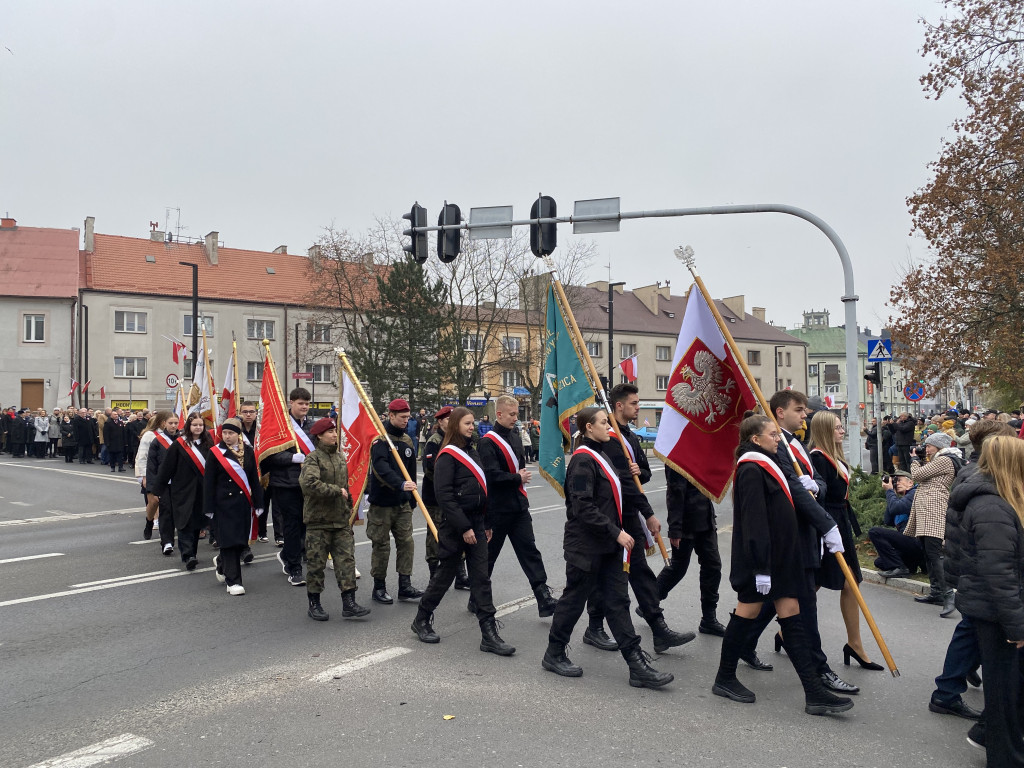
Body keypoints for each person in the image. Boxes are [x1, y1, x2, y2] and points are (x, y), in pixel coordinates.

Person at [713, 412, 853, 716]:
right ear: (756, 439)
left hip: (782, 558)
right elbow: (754, 522)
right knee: (746, 613)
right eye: (773, 435)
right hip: (760, 560)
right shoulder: (751, 468)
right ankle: (724, 678)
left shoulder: (771, 463)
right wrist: (761, 566)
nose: (780, 440)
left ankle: (814, 693)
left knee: (793, 619)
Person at [541, 406, 673, 689]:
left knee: (617, 602)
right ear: (589, 428)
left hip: (608, 546)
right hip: (586, 547)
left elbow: (622, 491)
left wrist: (639, 517)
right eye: (603, 423)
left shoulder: (602, 456)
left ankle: (636, 664)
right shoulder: (582, 461)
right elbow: (582, 506)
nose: (609, 428)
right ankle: (554, 653)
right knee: (574, 600)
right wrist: (616, 533)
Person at [747, 390, 857, 696]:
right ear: (780, 412)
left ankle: (741, 644)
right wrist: (823, 518)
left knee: (783, 599)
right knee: (804, 604)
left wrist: (814, 487)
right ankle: (819, 671)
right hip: (792, 534)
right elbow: (788, 487)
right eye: (799, 409)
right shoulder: (774, 444)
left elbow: (817, 482)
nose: (805, 414)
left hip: (808, 533)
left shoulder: (796, 444)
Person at [585, 384, 694, 655]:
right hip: (611, 516)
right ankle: (594, 627)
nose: (637, 408)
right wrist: (649, 514)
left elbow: (642, 475)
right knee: (604, 575)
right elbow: (624, 483)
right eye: (633, 403)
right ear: (619, 406)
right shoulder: (608, 439)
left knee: (641, 573)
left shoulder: (629, 438)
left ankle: (659, 629)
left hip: (629, 513)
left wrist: (638, 470)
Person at [928, 420, 1016, 724]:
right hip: (976, 571)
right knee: (976, 630)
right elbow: (989, 540)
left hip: (968, 567)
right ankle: (948, 690)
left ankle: (954, 681)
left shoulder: (973, 472)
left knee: (973, 630)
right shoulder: (984, 479)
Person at [412, 407, 515, 656]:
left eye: (474, 423)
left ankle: (489, 633)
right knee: (444, 576)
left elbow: (483, 489)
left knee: (481, 578)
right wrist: (465, 527)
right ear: (457, 425)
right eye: (468, 423)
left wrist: (486, 523)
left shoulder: (473, 451)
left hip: (478, 524)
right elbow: (444, 496)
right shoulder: (447, 456)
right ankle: (422, 618)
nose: (473, 427)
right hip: (456, 526)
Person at [947, 436, 1024, 762]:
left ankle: (988, 736)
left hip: (999, 608)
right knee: (1004, 689)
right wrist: (1017, 625)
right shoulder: (992, 506)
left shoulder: (1003, 500)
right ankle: (1003, 757)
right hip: (996, 613)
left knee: (1010, 686)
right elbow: (998, 572)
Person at [808, 410, 881, 671]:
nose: (842, 431)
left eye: (842, 427)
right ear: (826, 430)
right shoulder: (817, 458)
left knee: (851, 583)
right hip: (828, 525)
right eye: (838, 428)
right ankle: (785, 629)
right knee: (813, 584)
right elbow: (819, 498)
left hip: (841, 523)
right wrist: (826, 530)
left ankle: (855, 643)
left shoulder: (835, 457)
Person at [477, 394, 558, 618]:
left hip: (519, 507)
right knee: (489, 556)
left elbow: (519, 468)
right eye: (512, 414)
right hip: (497, 510)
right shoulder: (487, 442)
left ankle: (543, 597)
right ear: (499, 414)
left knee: (530, 551)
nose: (516, 418)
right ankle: (478, 598)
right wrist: (516, 479)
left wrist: (517, 480)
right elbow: (490, 476)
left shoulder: (514, 436)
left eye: (516, 414)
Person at [299, 417, 370, 621]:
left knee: (346, 562)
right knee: (316, 565)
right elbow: (308, 484)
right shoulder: (313, 458)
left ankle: (349, 603)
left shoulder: (339, 457)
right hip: (318, 522)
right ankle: (315, 603)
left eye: (335, 431)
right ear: (319, 436)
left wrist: (348, 506)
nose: (334, 434)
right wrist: (335, 491)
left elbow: (346, 487)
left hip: (340, 522)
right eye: (330, 432)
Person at [366, 398, 424, 604]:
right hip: (382, 504)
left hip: (402, 503)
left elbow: (410, 471)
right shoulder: (380, 440)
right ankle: (379, 587)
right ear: (391, 416)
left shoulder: (407, 440)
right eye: (402, 418)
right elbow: (380, 469)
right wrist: (399, 484)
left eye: (408, 418)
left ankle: (405, 585)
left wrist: (412, 497)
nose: (405, 421)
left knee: (406, 543)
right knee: (381, 545)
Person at [259, 388, 314, 587]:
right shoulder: (280, 427)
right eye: (301, 403)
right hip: (285, 484)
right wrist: (292, 457)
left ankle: (286, 554)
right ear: (291, 403)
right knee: (292, 525)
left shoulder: (312, 426)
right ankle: (295, 568)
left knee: (305, 525)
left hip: (307, 484)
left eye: (307, 404)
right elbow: (269, 454)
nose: (304, 407)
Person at [206, 418, 263, 596]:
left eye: (231, 433)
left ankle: (222, 564)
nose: (227, 436)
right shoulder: (216, 452)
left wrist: (259, 502)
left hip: (243, 503)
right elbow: (208, 482)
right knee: (229, 541)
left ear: (238, 435)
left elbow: (254, 478)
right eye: (225, 433)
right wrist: (208, 507)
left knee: (239, 542)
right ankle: (234, 581)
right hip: (223, 504)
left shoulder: (248, 451)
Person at [906, 431, 962, 611]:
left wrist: (914, 461)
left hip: (934, 508)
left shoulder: (944, 459)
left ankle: (948, 594)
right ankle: (937, 592)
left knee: (934, 551)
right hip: (928, 507)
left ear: (938, 446)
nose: (926, 449)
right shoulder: (940, 459)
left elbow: (917, 475)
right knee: (927, 551)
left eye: (929, 445)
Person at [153, 413, 213, 570]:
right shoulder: (179, 444)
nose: (198, 428)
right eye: (195, 425)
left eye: (200, 425)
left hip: (201, 490)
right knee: (184, 522)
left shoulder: (208, 443)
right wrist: (158, 488)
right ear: (189, 426)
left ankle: (192, 552)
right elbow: (167, 467)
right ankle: (187, 555)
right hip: (182, 489)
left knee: (196, 523)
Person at [420, 406, 470, 589]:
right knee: (435, 536)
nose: (451, 423)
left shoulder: (458, 441)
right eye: (448, 420)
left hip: (456, 498)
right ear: (440, 422)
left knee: (459, 533)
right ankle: (435, 574)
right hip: (436, 498)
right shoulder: (434, 441)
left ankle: (461, 575)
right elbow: (431, 469)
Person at [867, 471, 925, 578]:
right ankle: (909, 566)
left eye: (899, 480)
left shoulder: (915, 493)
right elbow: (888, 520)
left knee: (874, 532)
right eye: (894, 481)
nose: (896, 483)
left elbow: (895, 508)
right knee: (880, 562)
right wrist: (891, 493)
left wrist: (889, 491)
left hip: (917, 542)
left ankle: (900, 568)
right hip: (907, 544)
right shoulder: (901, 499)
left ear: (910, 483)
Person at [146, 412, 180, 555]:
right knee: (166, 511)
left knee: (179, 512)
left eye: (175, 423)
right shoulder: (157, 441)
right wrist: (153, 488)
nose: (173, 426)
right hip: (164, 483)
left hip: (181, 483)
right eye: (170, 423)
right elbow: (152, 465)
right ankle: (167, 542)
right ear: (164, 423)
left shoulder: (182, 439)